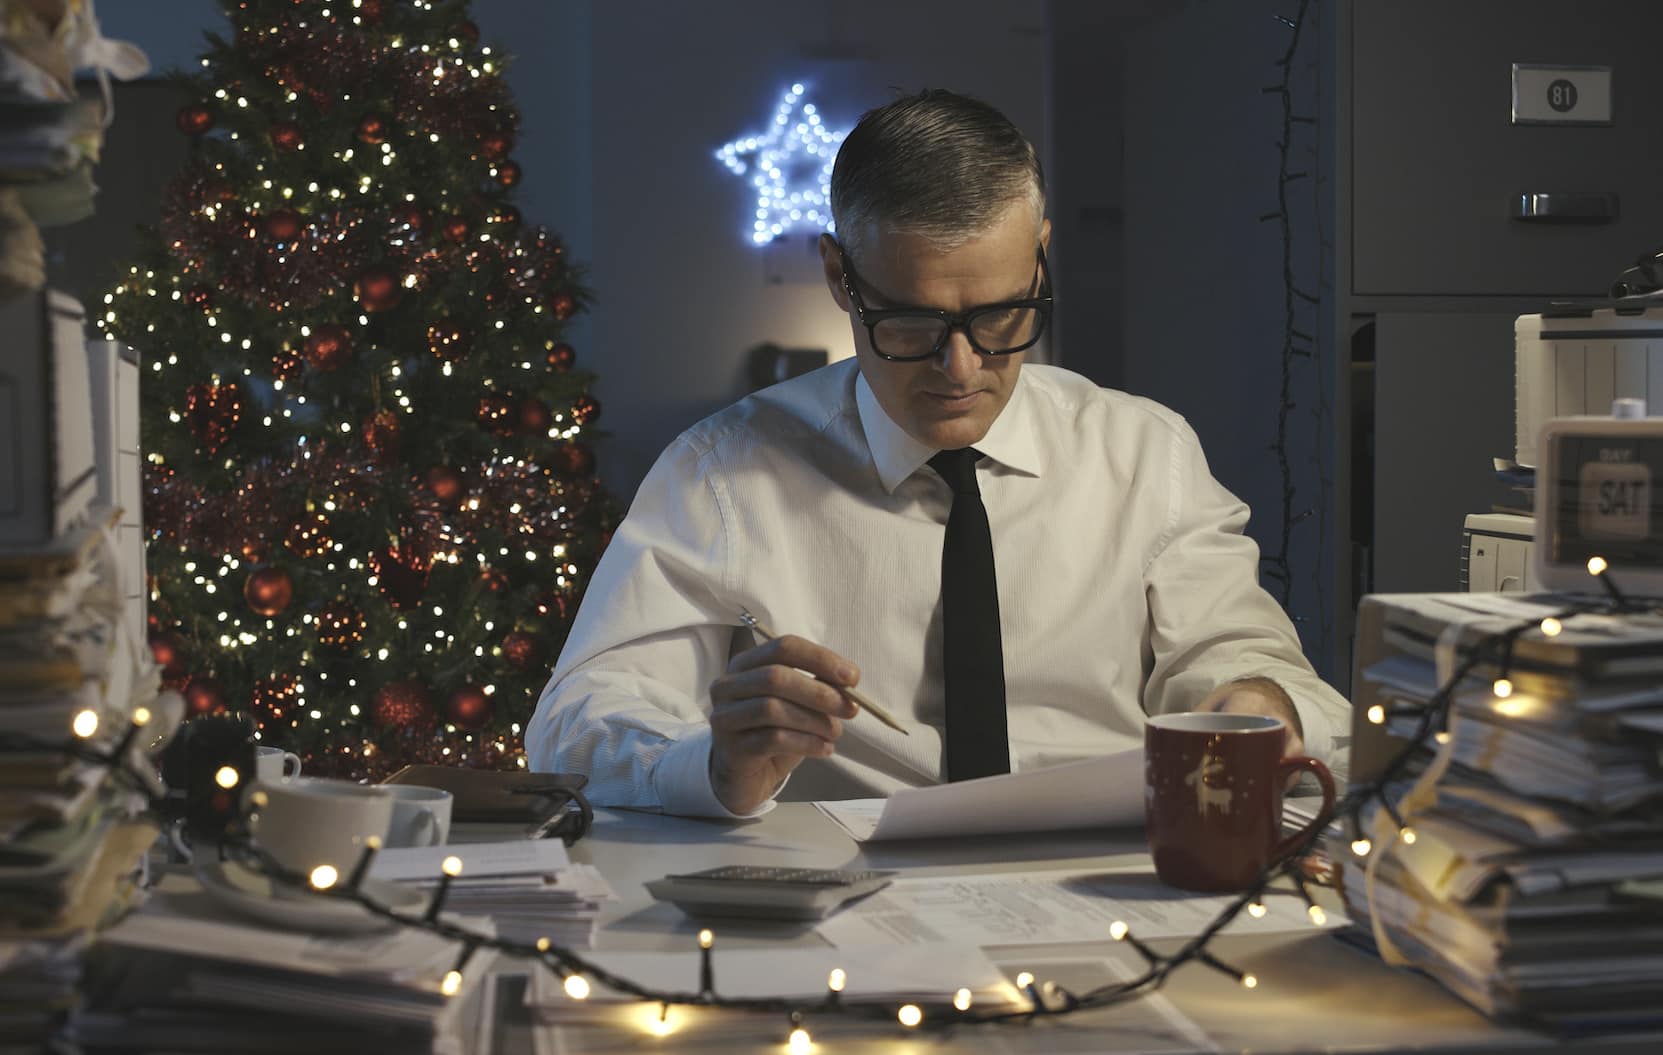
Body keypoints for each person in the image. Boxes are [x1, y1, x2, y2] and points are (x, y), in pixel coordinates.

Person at [527, 89, 1350, 817]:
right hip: (840, 904)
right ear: (840, 278)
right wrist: (713, 762)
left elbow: (1237, 656)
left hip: (1110, 878)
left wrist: (1248, 701)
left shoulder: (1143, 453)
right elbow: (579, 723)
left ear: (1039, 255)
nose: (961, 369)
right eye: (913, 323)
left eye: (1000, 316)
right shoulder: (719, 476)